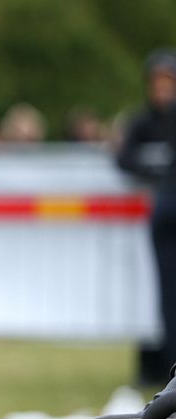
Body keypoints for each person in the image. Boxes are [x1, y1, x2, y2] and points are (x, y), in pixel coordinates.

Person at [116, 48, 176, 387]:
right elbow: (124, 159)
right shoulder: (143, 120)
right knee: (167, 295)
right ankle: (169, 367)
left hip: (166, 206)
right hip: (166, 208)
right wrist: (155, 167)